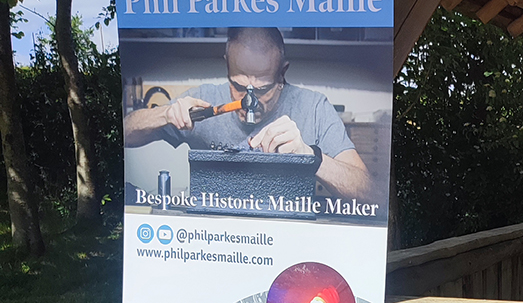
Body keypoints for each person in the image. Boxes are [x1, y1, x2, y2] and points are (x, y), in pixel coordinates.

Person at [123, 26, 372, 201]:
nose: (249, 100)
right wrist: (166, 114)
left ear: (282, 73)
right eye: (239, 87)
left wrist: (309, 156)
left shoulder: (313, 108)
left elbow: (368, 191)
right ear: (226, 67)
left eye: (262, 89)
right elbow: (125, 132)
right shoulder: (203, 100)